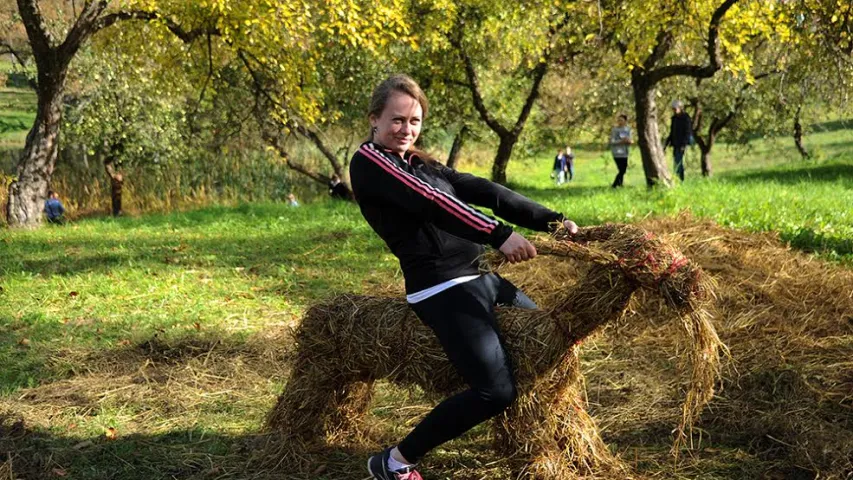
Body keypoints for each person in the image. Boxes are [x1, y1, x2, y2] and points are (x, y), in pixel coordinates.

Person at [349, 74, 580, 480]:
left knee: (548, 340)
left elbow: (483, 189)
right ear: (374, 119)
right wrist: (499, 234)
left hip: (480, 276)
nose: (406, 129)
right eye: (397, 120)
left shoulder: (418, 162)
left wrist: (551, 221)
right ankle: (395, 461)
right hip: (440, 287)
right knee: (496, 391)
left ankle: (545, 444)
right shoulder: (371, 163)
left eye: (415, 121)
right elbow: (432, 202)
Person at [663, 100, 693, 182]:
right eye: (673, 109)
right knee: (677, 162)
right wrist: (666, 144)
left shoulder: (686, 118)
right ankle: (679, 179)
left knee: (678, 162)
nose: (674, 111)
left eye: (675, 109)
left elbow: (687, 132)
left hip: (682, 143)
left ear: (680, 108)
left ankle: (680, 180)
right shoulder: (674, 118)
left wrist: (684, 145)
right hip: (676, 143)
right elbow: (672, 132)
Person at [609, 114, 633, 188]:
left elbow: (631, 140)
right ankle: (614, 185)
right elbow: (612, 141)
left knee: (623, 169)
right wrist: (621, 142)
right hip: (617, 152)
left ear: (625, 121)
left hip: (625, 152)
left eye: (621, 120)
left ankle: (620, 184)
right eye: (618, 120)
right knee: (622, 170)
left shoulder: (628, 129)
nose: (619, 122)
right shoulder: (615, 130)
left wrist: (629, 141)